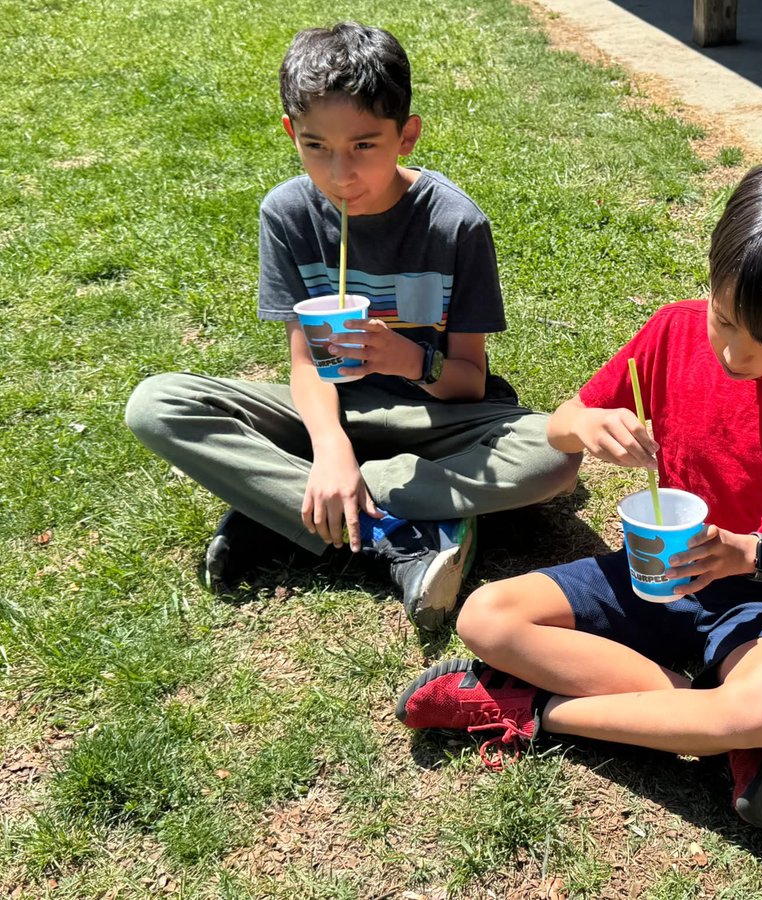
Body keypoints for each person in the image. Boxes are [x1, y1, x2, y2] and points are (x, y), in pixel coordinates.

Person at [396, 154, 762, 827]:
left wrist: (750, 553)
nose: (734, 355)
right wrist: (586, 425)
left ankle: (538, 713)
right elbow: (560, 425)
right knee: (484, 618)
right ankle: (715, 729)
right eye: (725, 319)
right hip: (655, 573)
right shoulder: (674, 330)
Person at [125, 22, 580, 628]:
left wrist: (407, 358)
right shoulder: (287, 214)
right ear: (291, 133)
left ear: (407, 136)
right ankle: (392, 528)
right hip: (329, 414)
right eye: (316, 147)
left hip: (436, 418)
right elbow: (305, 365)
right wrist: (331, 446)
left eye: (365, 146)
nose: (341, 175)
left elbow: (470, 381)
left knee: (555, 456)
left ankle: (286, 508)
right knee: (157, 405)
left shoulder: (454, 224)